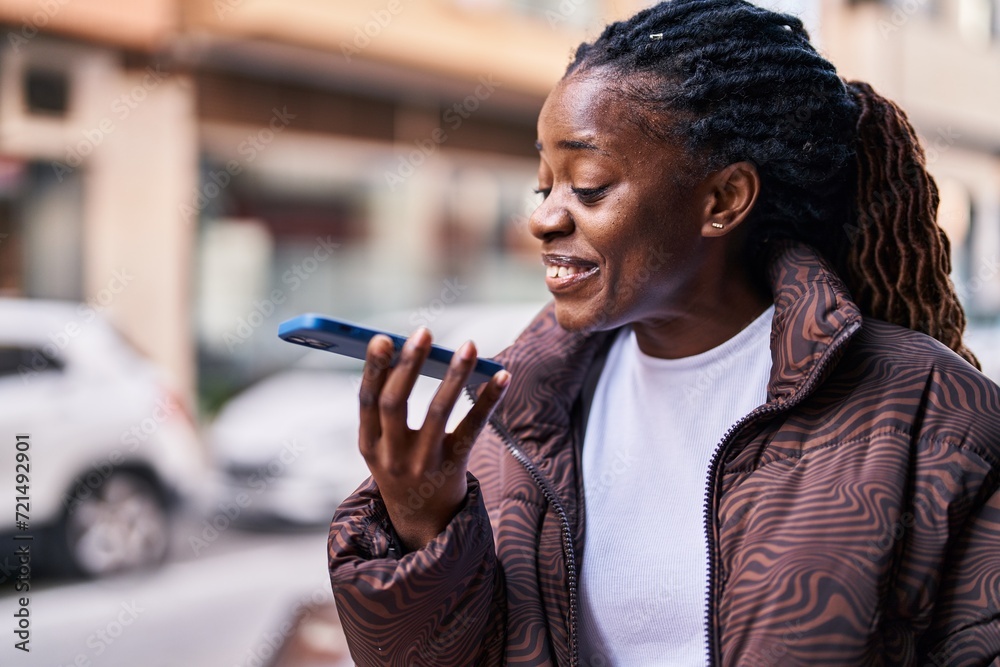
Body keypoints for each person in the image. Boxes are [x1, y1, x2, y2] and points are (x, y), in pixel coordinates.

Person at [326, 1, 1000, 665]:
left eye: (587, 186)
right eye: (543, 188)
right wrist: (424, 527)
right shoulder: (513, 415)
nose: (543, 221)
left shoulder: (932, 412)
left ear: (724, 200)